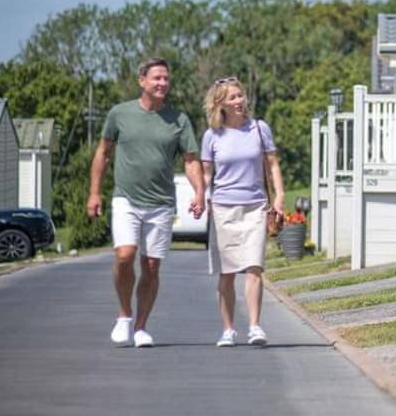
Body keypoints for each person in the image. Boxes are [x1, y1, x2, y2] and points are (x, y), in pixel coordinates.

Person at [88, 58, 205, 348]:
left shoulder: (179, 120)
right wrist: (94, 192)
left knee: (151, 266)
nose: (163, 83)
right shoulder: (120, 114)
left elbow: (190, 161)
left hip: (162, 202)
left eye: (166, 78)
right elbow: (103, 153)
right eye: (157, 78)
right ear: (142, 81)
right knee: (125, 255)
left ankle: (141, 327)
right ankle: (124, 314)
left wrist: (199, 192)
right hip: (126, 198)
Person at [200, 77, 285, 347]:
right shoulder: (212, 135)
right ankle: (228, 330)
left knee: (254, 268)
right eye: (232, 98)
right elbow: (205, 174)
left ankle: (255, 327)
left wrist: (280, 196)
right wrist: (201, 198)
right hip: (224, 208)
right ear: (220, 103)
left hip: (256, 207)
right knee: (226, 273)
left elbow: (272, 165)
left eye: (240, 96)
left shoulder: (259, 129)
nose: (239, 101)